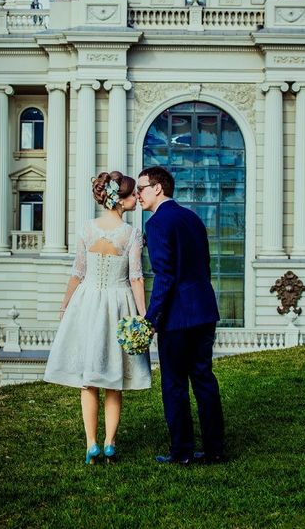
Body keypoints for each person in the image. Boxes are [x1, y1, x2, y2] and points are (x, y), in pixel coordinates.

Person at [44, 171, 151, 465]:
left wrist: (65, 306)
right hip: (118, 303)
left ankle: (91, 443)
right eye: (133, 194)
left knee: (88, 380)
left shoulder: (87, 228)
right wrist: (143, 315)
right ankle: (109, 443)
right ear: (121, 199)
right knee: (113, 380)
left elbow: (77, 272)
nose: (137, 198)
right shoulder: (131, 234)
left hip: (87, 302)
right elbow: (136, 277)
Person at [137, 165, 224, 466]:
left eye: (141, 188)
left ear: (157, 188)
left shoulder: (157, 223)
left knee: (174, 384)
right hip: (204, 309)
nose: (138, 194)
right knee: (204, 379)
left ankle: (182, 452)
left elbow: (165, 276)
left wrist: (151, 319)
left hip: (177, 317)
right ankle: (215, 450)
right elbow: (205, 266)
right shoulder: (193, 218)